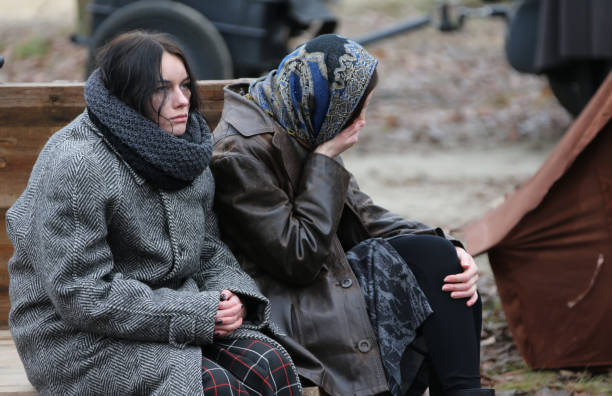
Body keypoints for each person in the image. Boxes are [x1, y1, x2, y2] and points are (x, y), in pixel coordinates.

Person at [6, 31, 300, 396]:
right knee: (211, 386)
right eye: (162, 89)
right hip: (77, 339)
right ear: (129, 96)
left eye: (185, 86)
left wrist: (230, 297)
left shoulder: (185, 151)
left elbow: (207, 248)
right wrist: (197, 314)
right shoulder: (78, 164)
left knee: (267, 361)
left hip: (173, 313)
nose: (181, 101)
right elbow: (82, 294)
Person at [211, 34, 494, 396]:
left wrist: (451, 248)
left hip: (324, 272)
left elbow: (364, 214)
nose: (360, 121)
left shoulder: (300, 114)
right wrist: (325, 161)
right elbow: (298, 259)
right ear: (330, 105)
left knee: (444, 265)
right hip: (283, 300)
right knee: (433, 272)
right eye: (357, 110)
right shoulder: (237, 155)